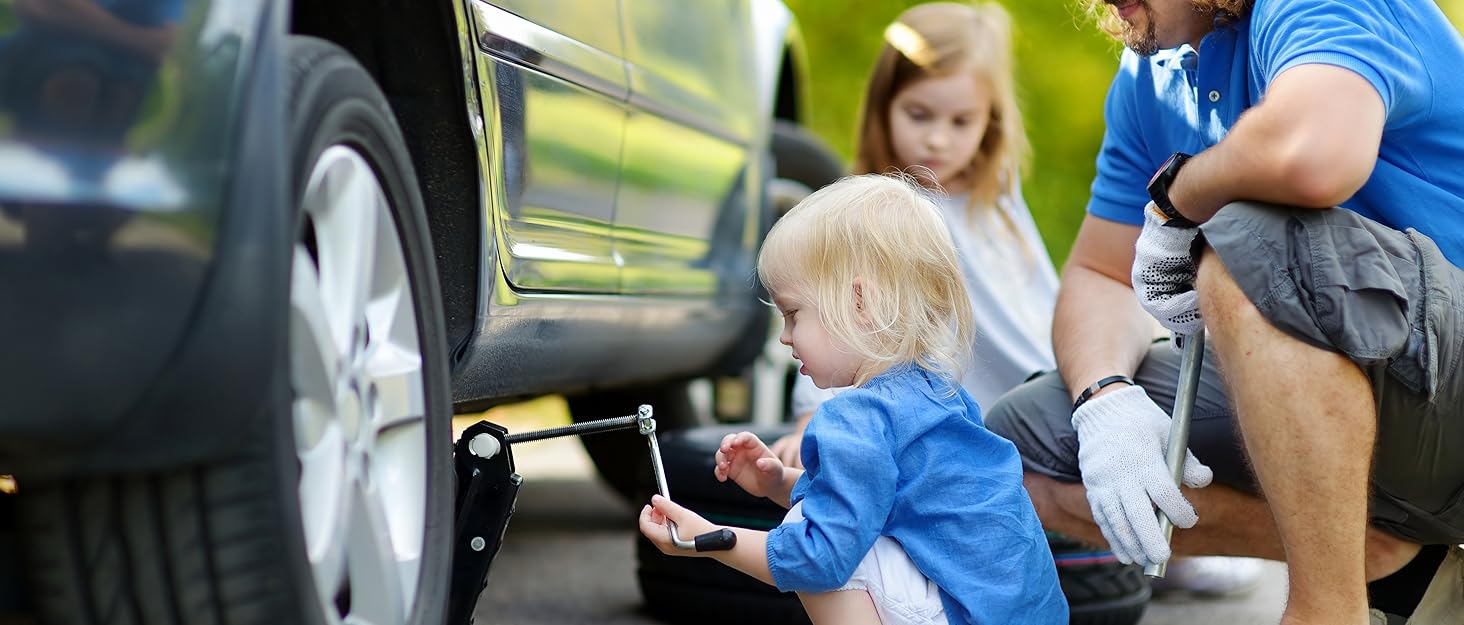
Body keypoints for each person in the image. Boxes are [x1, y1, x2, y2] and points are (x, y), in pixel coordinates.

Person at [982, 0, 1464, 623]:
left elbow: (1313, 155)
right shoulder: (1146, 79)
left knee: (1244, 234)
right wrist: (1104, 398)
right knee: (1024, 446)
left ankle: (1325, 611)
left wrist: (1179, 197)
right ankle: (1385, 559)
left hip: (1449, 382)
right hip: (1386, 418)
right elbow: (1100, 275)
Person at [766, 0, 1261, 598]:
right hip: (940, 419)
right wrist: (809, 413)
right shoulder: (872, 221)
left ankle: (1166, 549)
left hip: (1021, 390)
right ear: (883, 108)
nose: (936, 137)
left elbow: (1041, 305)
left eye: (960, 121)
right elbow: (835, 322)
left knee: (1132, 449)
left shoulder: (996, 205)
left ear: (989, 124)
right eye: (918, 114)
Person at [638, 174, 1068, 625]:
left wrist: (705, 538)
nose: (785, 338)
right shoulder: (939, 393)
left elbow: (819, 559)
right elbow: (877, 499)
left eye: (792, 314)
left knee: (803, 527)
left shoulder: (856, 418)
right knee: (824, 518)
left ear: (860, 302)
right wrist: (777, 482)